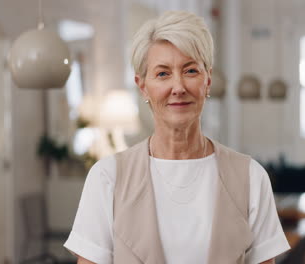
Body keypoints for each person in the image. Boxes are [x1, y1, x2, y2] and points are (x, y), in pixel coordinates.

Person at [64, 10, 290, 264]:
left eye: (190, 71)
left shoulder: (251, 176)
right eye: (162, 74)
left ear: (207, 81)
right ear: (143, 86)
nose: (178, 87)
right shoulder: (107, 177)